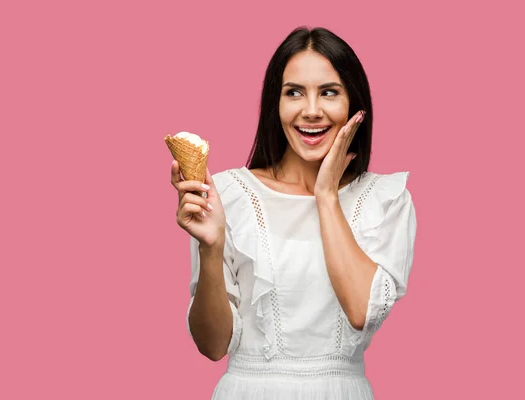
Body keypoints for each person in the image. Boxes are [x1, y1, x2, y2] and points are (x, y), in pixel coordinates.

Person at [170, 26, 417, 400]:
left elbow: (360, 312)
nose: (312, 110)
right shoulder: (227, 194)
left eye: (329, 92)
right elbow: (213, 346)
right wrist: (211, 246)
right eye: (294, 93)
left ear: (355, 104)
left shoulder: (387, 198)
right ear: (276, 104)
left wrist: (326, 196)